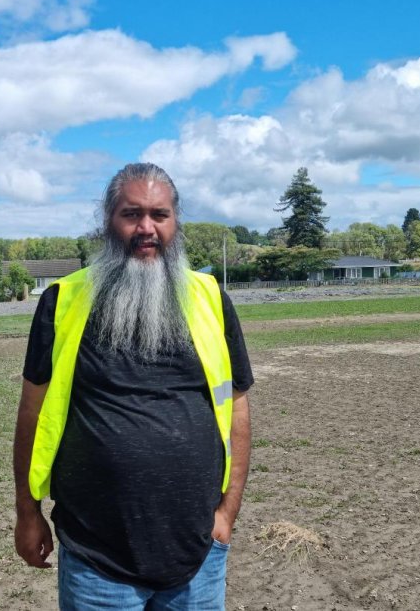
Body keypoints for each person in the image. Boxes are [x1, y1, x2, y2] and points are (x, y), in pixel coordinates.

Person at [13, 162, 254, 610]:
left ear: (175, 222)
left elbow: (236, 408)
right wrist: (27, 513)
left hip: (198, 551)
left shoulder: (211, 300)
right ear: (108, 221)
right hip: (95, 557)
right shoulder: (62, 301)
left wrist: (228, 513)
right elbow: (32, 413)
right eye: (131, 214)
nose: (146, 228)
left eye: (159, 215)